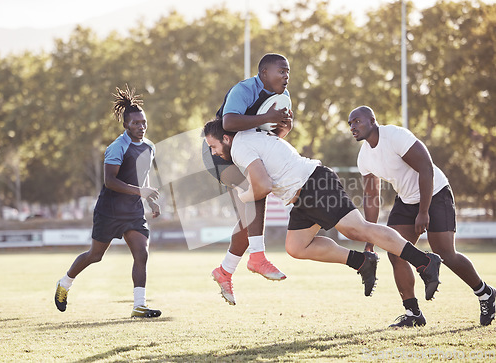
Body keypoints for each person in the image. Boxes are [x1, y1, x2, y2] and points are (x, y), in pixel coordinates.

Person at [203, 119, 443, 301]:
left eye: (213, 146)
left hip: (314, 183)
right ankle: (362, 262)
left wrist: (244, 195)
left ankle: (424, 261)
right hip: (302, 195)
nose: (214, 153)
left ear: (225, 138)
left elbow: (263, 186)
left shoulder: (239, 147)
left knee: (357, 229)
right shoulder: (248, 138)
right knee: (296, 247)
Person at [348, 105, 495, 327]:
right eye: (350, 124)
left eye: (357, 121)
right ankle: (413, 313)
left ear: (372, 120)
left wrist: (424, 211)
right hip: (406, 200)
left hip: (435, 193)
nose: (353, 127)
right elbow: (371, 197)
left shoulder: (395, 136)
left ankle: (486, 293)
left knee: (445, 253)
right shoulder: (364, 158)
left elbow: (426, 168)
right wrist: (370, 236)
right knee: (395, 252)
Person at [54, 85, 162, 318]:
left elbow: (143, 177)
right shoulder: (117, 147)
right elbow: (110, 181)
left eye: (143, 122)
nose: (141, 127)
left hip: (133, 211)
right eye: (135, 123)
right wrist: (141, 192)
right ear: (125, 125)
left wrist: (150, 199)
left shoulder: (150, 147)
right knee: (95, 255)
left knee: (142, 253)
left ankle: (139, 305)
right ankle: (64, 283)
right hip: (110, 210)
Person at [203, 53, 293, 305]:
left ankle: (225, 271)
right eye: (281, 71)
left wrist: (285, 125)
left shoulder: (282, 97)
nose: (286, 76)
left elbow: (278, 133)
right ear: (264, 73)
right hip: (220, 151)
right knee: (257, 192)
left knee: (249, 214)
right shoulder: (244, 89)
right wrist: (268, 118)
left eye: (288, 72)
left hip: (246, 152)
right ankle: (257, 257)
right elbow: (228, 122)